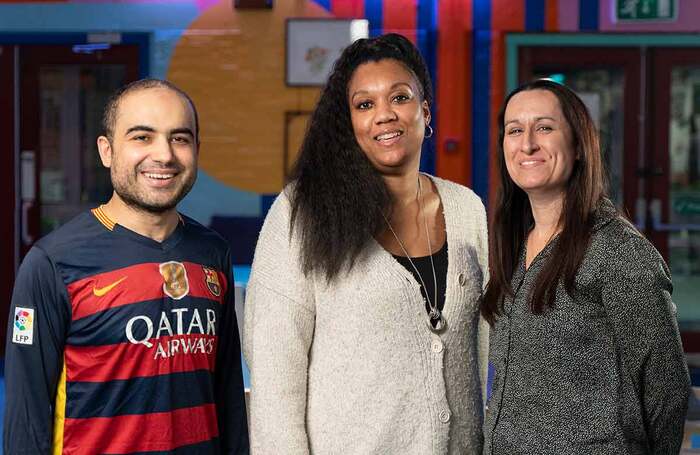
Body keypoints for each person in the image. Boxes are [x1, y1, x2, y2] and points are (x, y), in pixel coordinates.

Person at [243, 33, 489, 454]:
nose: (384, 115)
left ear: (425, 112)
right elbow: (273, 374)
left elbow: (482, 352)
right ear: (348, 123)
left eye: (400, 98)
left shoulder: (467, 210)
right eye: (364, 104)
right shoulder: (302, 213)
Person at [4, 79, 249, 454]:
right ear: (107, 150)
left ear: (197, 150)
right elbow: (27, 418)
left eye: (179, 139)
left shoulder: (212, 253)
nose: (164, 155)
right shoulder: (52, 263)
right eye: (142, 137)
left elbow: (228, 392)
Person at [482, 79, 691, 454]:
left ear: (578, 145)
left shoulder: (616, 251)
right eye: (515, 130)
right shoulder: (514, 248)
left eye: (544, 128)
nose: (527, 143)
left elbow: (668, 388)